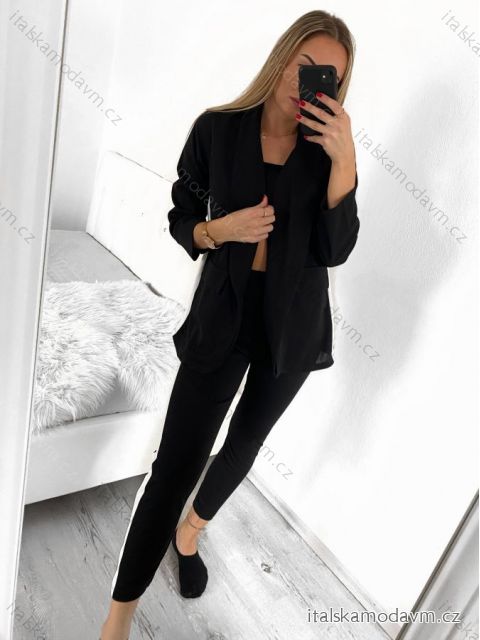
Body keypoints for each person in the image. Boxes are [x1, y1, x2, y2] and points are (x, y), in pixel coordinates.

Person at [100, 9, 359, 639]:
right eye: (305, 65)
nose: (310, 83)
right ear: (282, 58)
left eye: (329, 77)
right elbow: (181, 216)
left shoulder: (329, 152)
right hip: (223, 316)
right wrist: (221, 229)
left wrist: (345, 160)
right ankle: (118, 619)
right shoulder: (217, 130)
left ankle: (190, 535)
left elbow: (335, 249)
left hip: (293, 326)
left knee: (244, 443)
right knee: (174, 466)